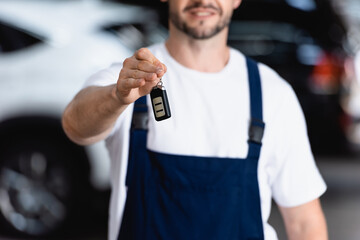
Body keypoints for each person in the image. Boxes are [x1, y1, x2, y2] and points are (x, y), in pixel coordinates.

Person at [62, 0, 328, 239]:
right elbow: (75, 126)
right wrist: (116, 97)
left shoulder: (272, 93)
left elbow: (305, 223)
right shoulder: (129, 77)